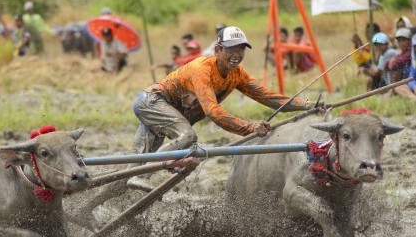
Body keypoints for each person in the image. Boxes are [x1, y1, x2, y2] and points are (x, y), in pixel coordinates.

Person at [127, 26, 322, 190]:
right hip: (153, 102)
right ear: (218, 49)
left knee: (134, 166)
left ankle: (100, 198)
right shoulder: (202, 70)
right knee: (187, 137)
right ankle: (144, 177)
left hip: (168, 112)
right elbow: (213, 112)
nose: (236, 55)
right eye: (231, 49)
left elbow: (268, 97)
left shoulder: (237, 74)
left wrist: (308, 105)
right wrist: (250, 127)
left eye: (241, 49)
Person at [383, 28, 415, 100]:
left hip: (413, 82)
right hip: (408, 82)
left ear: (410, 41)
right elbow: (386, 65)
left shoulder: (410, 52)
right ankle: (391, 91)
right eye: (399, 41)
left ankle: (413, 98)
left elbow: (392, 65)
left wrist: (393, 61)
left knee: (398, 86)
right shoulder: (401, 53)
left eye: (403, 40)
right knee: (399, 87)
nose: (401, 43)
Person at [352, 23, 382, 90]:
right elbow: (359, 60)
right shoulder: (367, 45)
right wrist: (356, 46)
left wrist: (360, 44)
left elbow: (371, 58)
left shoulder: (379, 44)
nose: (367, 34)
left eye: (369, 32)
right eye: (366, 32)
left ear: (376, 33)